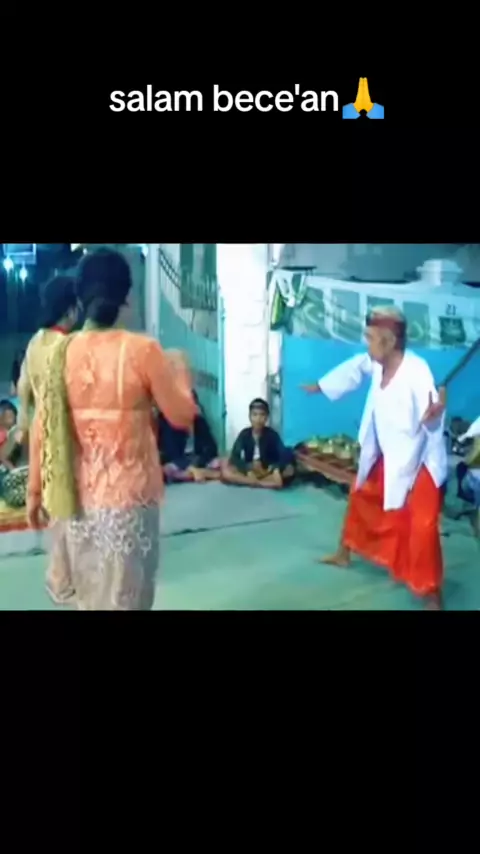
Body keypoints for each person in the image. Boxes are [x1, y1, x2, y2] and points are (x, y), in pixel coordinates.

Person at [27, 247, 197, 611]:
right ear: (127, 297)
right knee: (127, 600)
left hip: (76, 502)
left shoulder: (60, 353)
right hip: (128, 504)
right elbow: (181, 416)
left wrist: (34, 491)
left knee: (91, 600)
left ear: (80, 298)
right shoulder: (143, 350)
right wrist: (182, 373)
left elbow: (43, 426)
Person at [302, 306, 447, 610]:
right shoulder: (378, 362)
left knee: (422, 526)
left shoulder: (417, 372)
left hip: (421, 459)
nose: (366, 344)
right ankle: (344, 553)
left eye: (370, 338)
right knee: (361, 496)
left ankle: (431, 592)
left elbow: (432, 416)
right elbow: (356, 367)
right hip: (389, 453)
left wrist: (435, 416)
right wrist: (322, 386)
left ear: (389, 341)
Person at [17, 275, 80, 605]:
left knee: (57, 508)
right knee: (73, 509)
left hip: (42, 431)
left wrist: (26, 421)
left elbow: (23, 389)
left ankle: (60, 578)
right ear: (71, 308)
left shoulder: (35, 342)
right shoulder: (68, 346)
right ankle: (67, 580)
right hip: (65, 432)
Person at [221, 398, 295, 489]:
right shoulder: (244, 434)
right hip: (251, 471)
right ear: (250, 417)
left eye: (262, 415)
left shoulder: (272, 434)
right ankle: (261, 483)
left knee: (289, 470)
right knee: (226, 471)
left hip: (267, 470)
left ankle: (253, 482)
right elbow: (235, 456)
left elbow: (285, 453)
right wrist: (247, 469)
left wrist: (275, 468)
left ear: (266, 417)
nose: (258, 419)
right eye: (255, 415)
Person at [159, 390, 221, 483]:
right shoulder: (170, 423)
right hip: (178, 462)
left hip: (198, 460)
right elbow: (171, 453)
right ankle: (202, 474)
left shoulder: (199, 422)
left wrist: (197, 464)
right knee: (167, 469)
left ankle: (194, 474)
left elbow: (212, 448)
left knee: (219, 463)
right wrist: (190, 468)